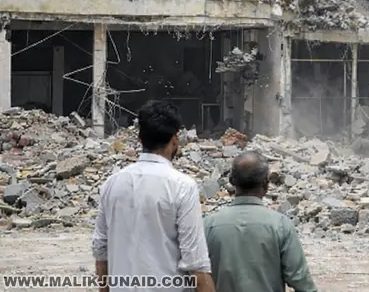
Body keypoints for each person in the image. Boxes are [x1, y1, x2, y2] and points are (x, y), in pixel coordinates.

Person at [92, 99, 214, 292]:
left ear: (140, 139)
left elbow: (101, 250)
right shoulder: (182, 186)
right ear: (175, 140)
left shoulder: (112, 184)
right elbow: (196, 261)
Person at [203, 151, 317, 292]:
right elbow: (301, 281)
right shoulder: (280, 225)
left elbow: (195, 275)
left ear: (232, 181)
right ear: (266, 183)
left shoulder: (208, 225)